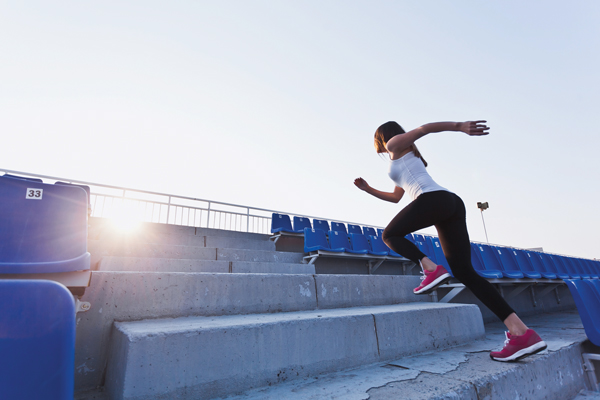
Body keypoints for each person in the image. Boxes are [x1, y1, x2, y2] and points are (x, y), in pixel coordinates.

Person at [354, 120, 547, 362]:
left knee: (389, 235)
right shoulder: (405, 156)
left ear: (382, 137)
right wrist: (368, 189)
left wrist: (459, 126)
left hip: (432, 199)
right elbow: (395, 197)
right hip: (449, 203)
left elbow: (423, 129)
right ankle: (522, 333)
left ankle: (431, 269)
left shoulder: (395, 144)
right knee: (466, 273)